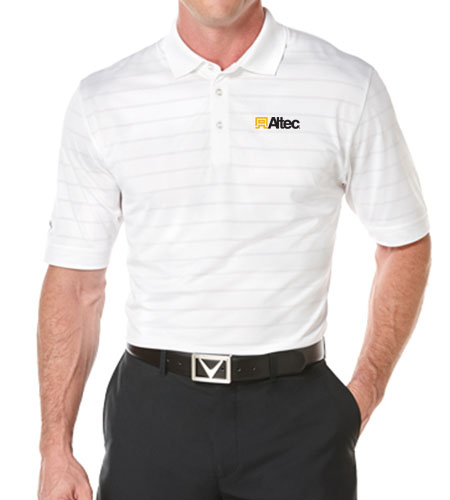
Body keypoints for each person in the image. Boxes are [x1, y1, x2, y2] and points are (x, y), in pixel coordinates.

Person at [37, 1, 432, 499]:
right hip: (153, 414)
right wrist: (55, 448)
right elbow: (75, 284)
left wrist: (365, 391)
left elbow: (404, 241)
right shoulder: (104, 100)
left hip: (298, 418)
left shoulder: (347, 86)